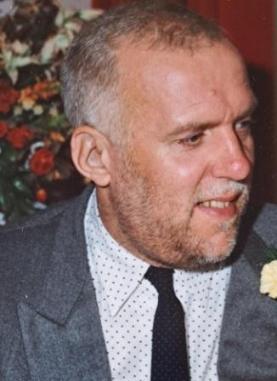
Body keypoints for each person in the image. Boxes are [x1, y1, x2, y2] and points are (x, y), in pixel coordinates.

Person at [0, 1, 277, 380]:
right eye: (193, 137)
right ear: (95, 156)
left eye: (243, 124)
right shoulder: (10, 281)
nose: (239, 165)